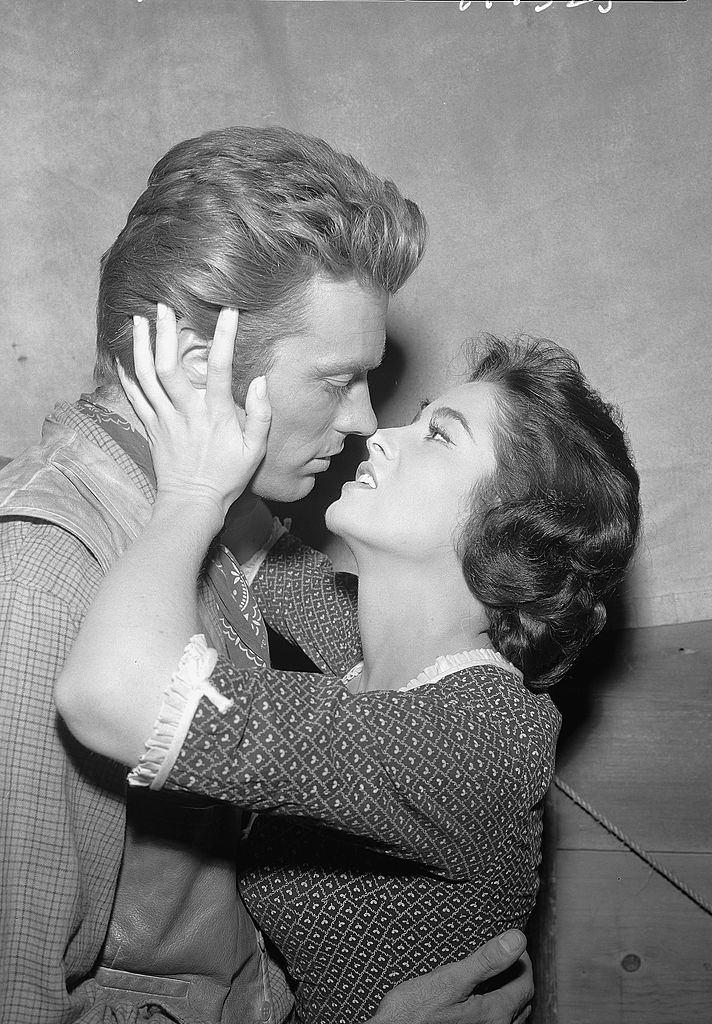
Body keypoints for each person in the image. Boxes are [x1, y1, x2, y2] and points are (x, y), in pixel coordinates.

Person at [0, 126, 533, 1024]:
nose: (365, 420)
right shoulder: (49, 576)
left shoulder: (235, 537)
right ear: (200, 372)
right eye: (337, 380)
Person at [56, 309, 641, 1022]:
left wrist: (188, 496)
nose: (381, 435)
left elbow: (113, 697)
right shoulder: (363, 654)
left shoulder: (482, 734)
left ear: (508, 527)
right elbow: (251, 534)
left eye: (437, 435)